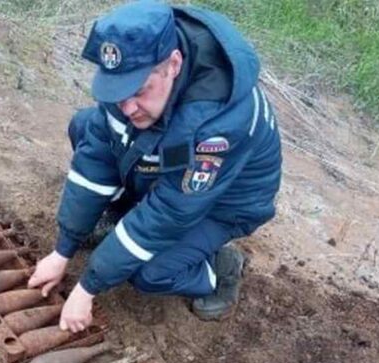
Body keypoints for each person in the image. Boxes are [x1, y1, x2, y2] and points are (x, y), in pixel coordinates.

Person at [27, 0, 281, 331]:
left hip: (222, 203)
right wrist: (64, 249)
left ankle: (220, 267)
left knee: (149, 273)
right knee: (86, 126)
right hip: (172, 168)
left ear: (173, 64)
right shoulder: (131, 80)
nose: (128, 107)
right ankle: (122, 222)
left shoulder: (217, 126)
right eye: (119, 93)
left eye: (139, 91)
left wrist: (88, 287)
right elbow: (98, 159)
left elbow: (171, 212)